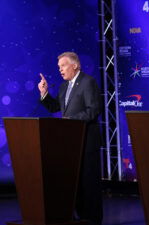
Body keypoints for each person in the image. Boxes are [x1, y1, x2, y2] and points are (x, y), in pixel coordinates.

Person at [38, 52, 103, 225]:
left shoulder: (88, 82)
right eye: (59, 67)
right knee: (75, 183)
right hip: (71, 143)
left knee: (89, 183)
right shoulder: (63, 87)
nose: (60, 70)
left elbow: (94, 110)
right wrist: (44, 94)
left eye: (63, 66)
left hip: (88, 141)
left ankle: (93, 220)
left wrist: (71, 120)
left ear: (74, 65)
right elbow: (54, 107)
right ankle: (80, 217)